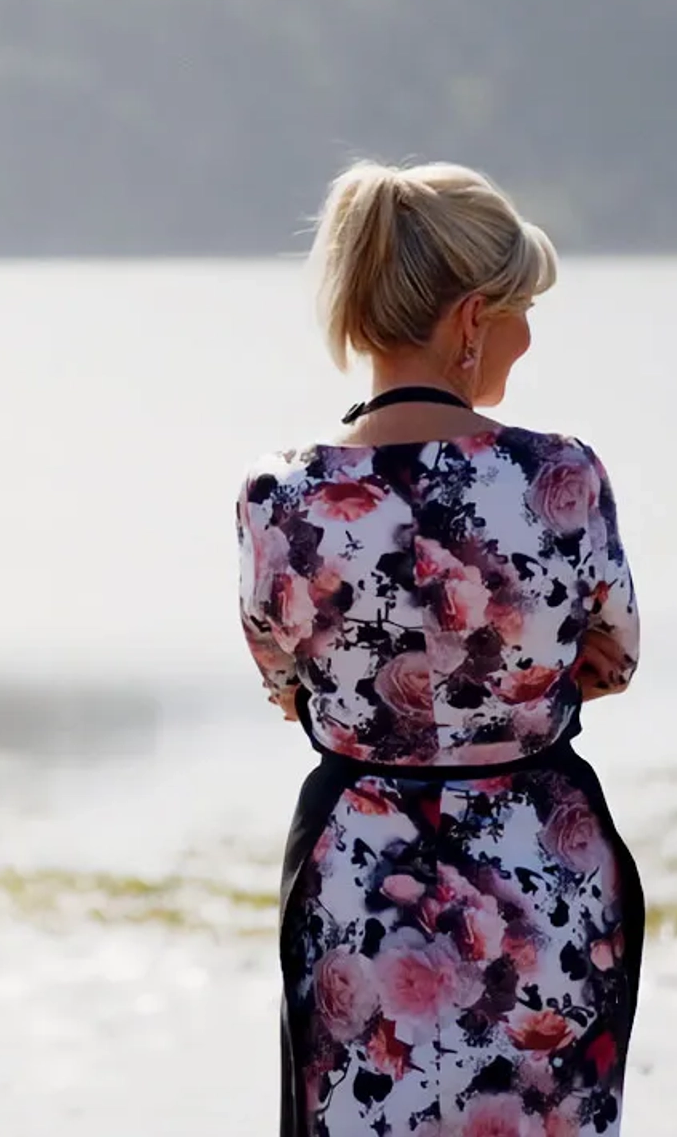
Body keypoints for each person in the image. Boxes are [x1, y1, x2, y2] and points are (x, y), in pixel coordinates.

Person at [236, 160, 644, 1136]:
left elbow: (284, 679)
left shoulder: (278, 499)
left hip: (359, 879)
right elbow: (613, 655)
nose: (527, 332)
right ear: (470, 318)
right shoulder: (561, 473)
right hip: (544, 875)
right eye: (522, 307)